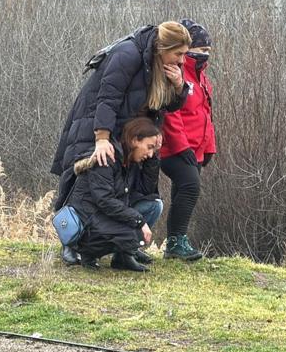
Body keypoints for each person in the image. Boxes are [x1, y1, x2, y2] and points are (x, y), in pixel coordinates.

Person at [51, 22, 191, 264]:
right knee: (84, 187)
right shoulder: (128, 54)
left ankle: (125, 249)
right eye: (178, 54)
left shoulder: (159, 65)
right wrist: (102, 138)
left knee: (128, 190)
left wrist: (179, 87)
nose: (182, 61)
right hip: (96, 126)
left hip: (128, 135)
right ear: (162, 47)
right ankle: (71, 242)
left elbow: (166, 105)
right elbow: (107, 97)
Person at [65, 117, 162, 272]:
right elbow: (104, 201)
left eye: (154, 150)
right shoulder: (106, 157)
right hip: (88, 219)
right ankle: (85, 251)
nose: (150, 154)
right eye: (149, 147)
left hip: (105, 214)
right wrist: (139, 221)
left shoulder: (130, 160)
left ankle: (123, 258)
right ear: (135, 140)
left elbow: (146, 190)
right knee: (133, 235)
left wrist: (154, 159)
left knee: (154, 205)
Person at [159, 19, 217, 261]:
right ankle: (175, 241)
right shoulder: (176, 74)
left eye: (208, 52)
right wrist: (182, 147)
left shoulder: (202, 79)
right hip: (173, 148)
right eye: (202, 50)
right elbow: (171, 114)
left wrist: (209, 148)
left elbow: (205, 114)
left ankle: (176, 242)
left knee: (183, 190)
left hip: (196, 149)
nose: (205, 56)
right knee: (191, 187)